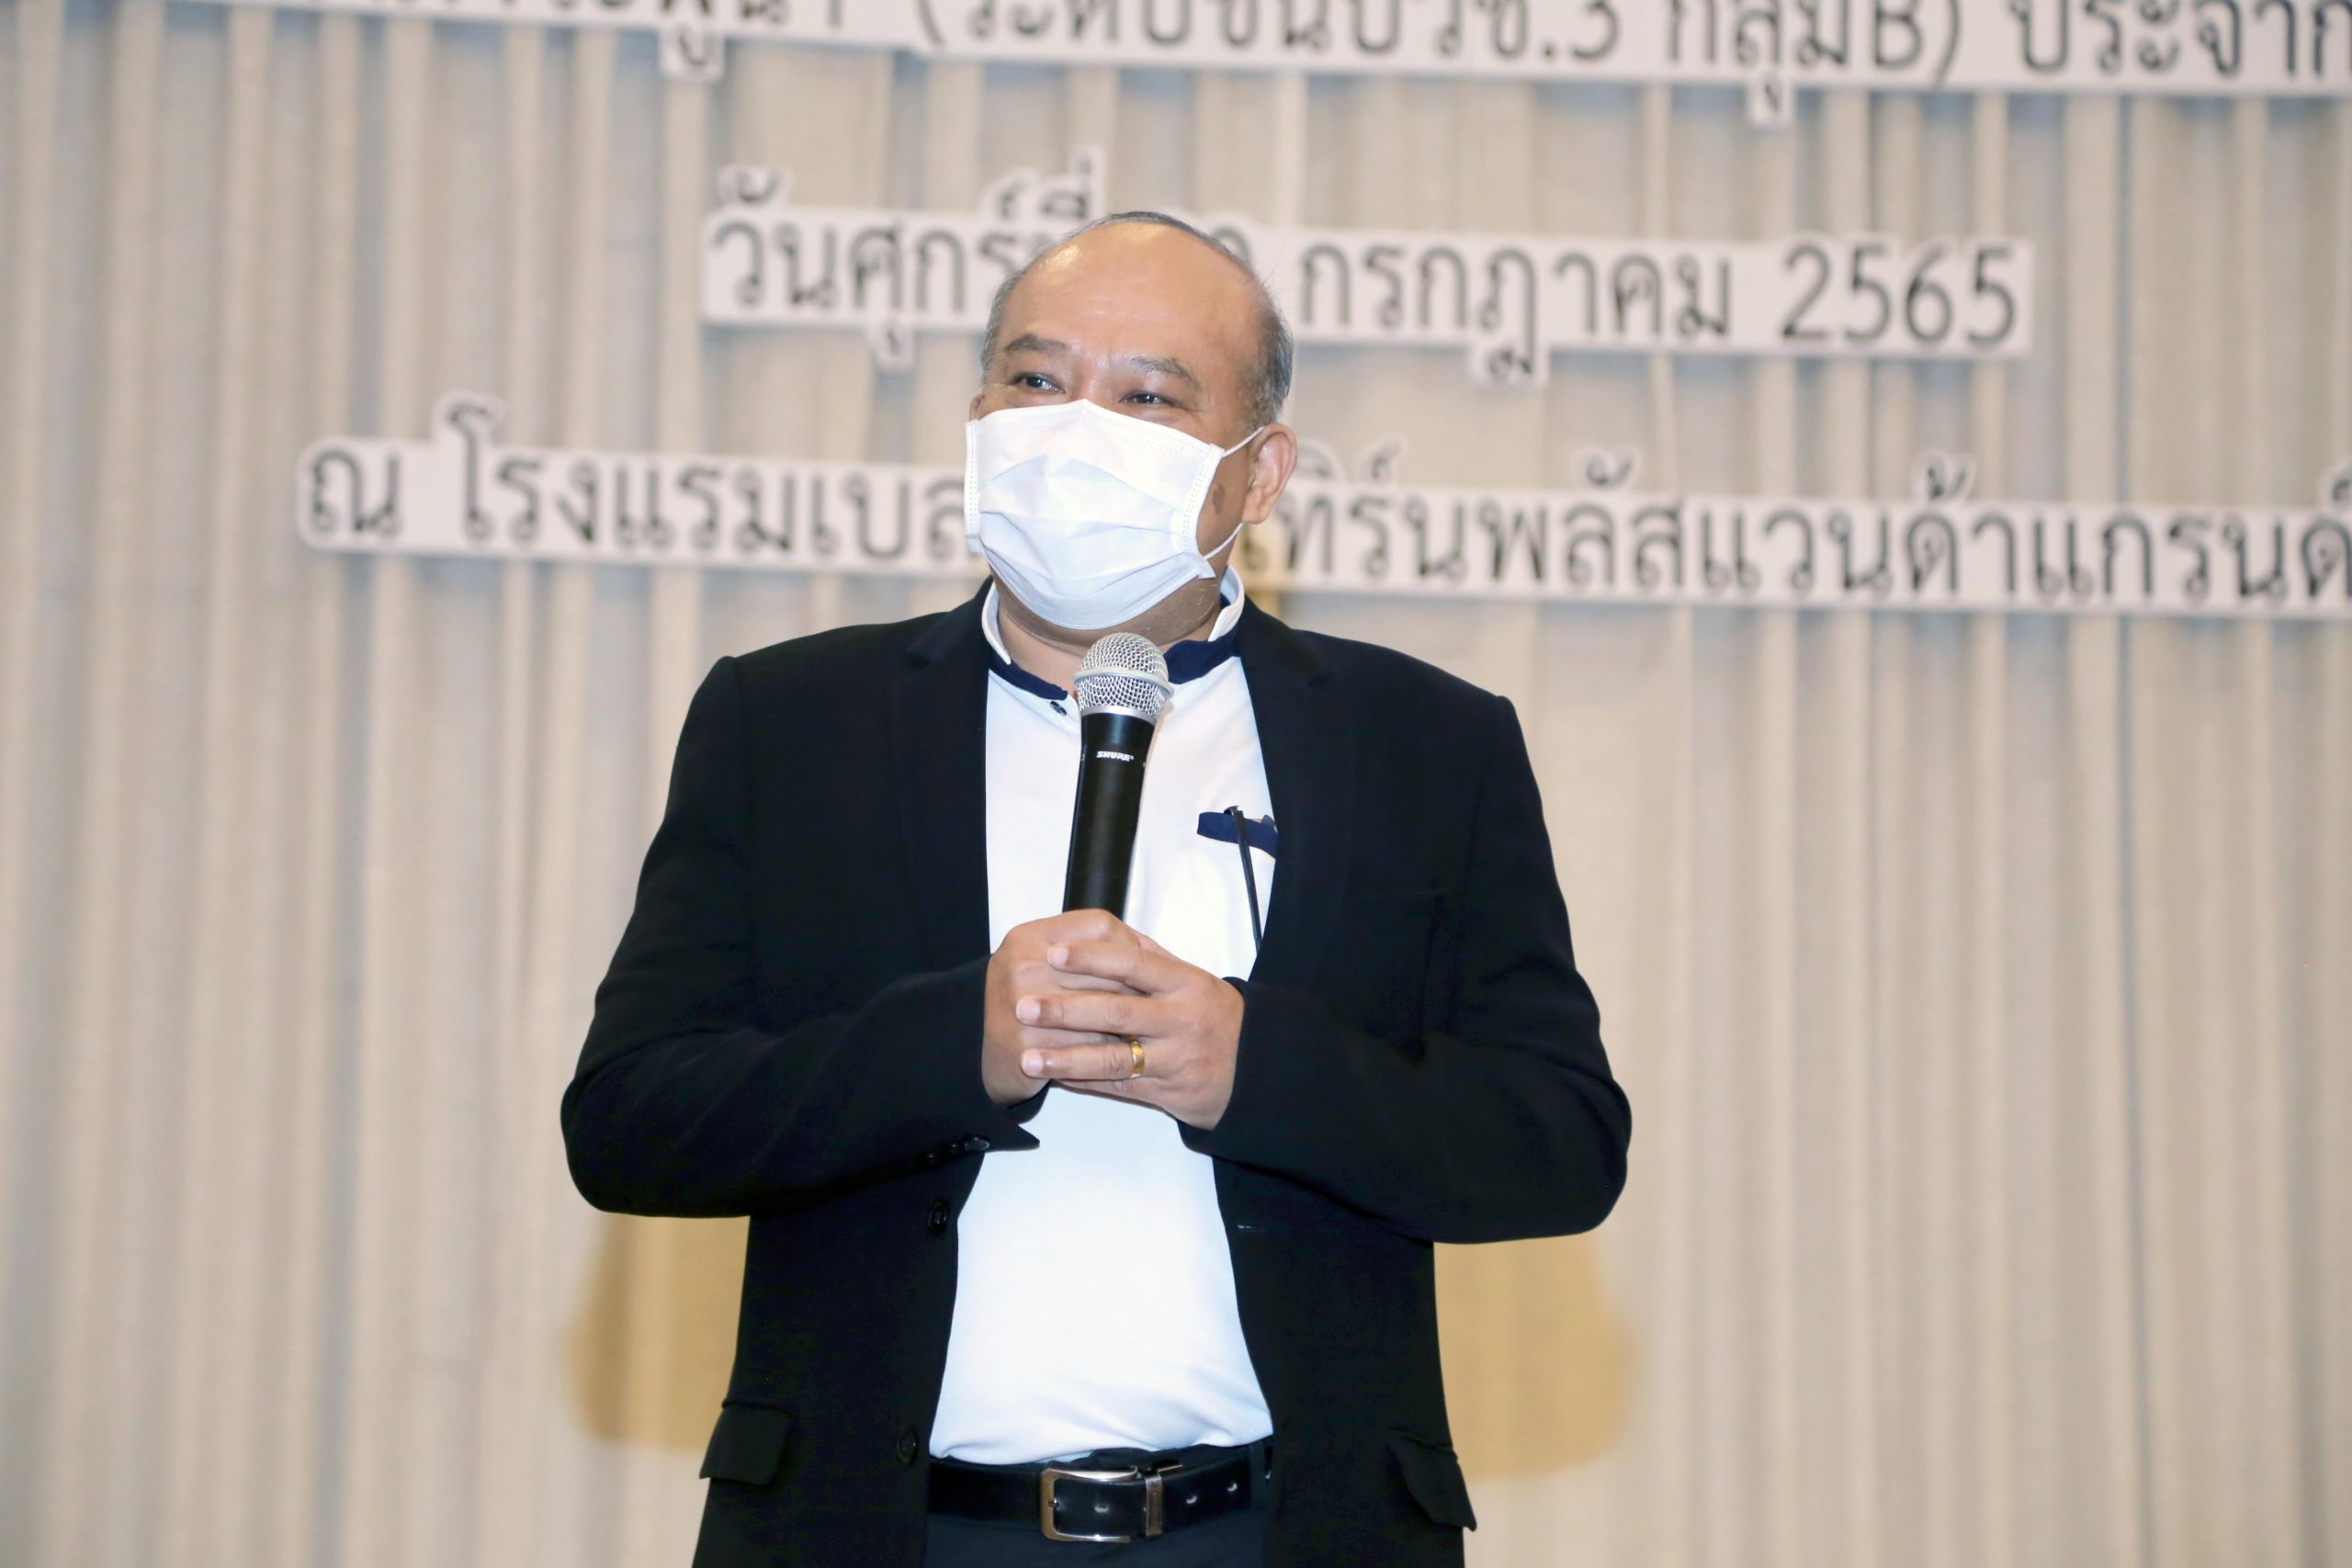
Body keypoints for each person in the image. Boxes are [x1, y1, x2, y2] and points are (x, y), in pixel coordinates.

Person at [561, 212, 1631, 1567]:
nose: (1076, 430)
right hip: (885, 1533)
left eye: (1148, 397)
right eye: (1037, 379)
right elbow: (631, 1123)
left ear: (1259, 473)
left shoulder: (1426, 744)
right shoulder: (792, 722)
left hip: (1276, 1533)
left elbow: (1557, 1144)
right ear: (978, 420)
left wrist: (1257, 1069)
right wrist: (954, 1046)